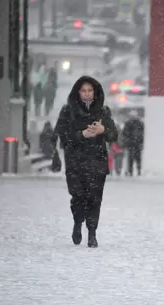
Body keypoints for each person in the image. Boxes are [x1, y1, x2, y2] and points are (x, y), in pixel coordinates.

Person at [55, 76, 118, 248]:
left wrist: (102, 130)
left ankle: (92, 232)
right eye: (83, 90)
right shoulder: (68, 111)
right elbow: (63, 136)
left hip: (97, 161)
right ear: (78, 92)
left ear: (95, 92)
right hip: (75, 162)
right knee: (78, 197)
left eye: (90, 90)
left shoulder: (103, 111)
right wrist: (81, 135)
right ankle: (77, 223)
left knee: (95, 198)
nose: (87, 94)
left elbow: (114, 135)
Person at [122, 112, 144, 176]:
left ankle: (138, 171)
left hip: (137, 144)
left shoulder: (140, 123)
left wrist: (141, 142)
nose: (134, 117)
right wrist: (127, 141)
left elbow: (143, 134)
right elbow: (125, 133)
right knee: (131, 159)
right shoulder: (128, 123)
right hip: (131, 144)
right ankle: (130, 171)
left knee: (138, 159)